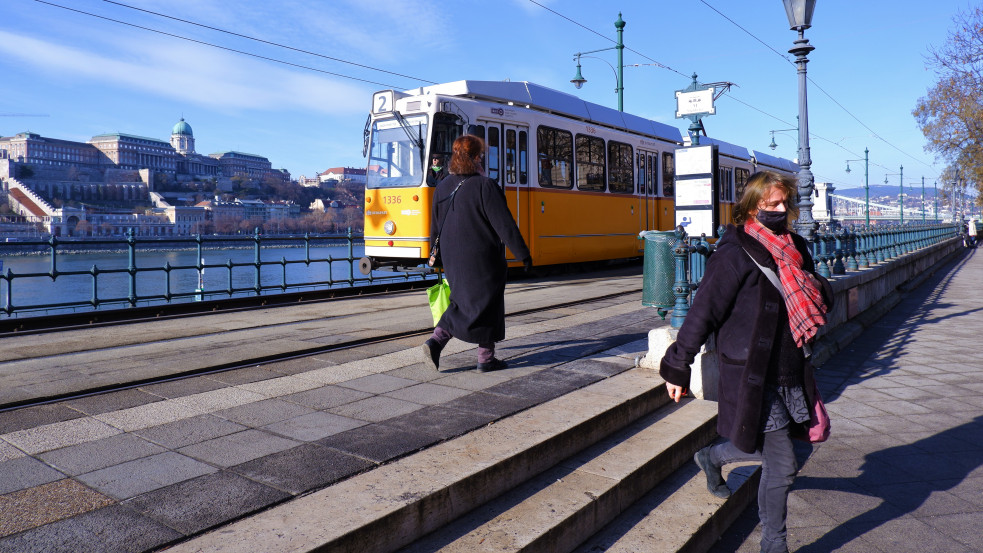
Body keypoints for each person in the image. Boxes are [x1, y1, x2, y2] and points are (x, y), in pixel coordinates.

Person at [660, 170, 833, 553]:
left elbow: (815, 290)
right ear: (753, 206)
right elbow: (704, 309)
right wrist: (678, 363)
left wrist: (815, 290)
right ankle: (774, 545)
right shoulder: (735, 250)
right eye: (772, 204)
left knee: (764, 445)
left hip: (789, 368)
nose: (782, 209)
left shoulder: (796, 245)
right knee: (784, 463)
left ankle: (710, 456)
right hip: (751, 371)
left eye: (785, 202)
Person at [421, 135, 532, 373]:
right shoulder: (485, 186)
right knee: (487, 303)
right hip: (483, 258)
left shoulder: (442, 187)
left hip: (453, 258)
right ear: (476, 157)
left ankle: (436, 341)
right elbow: (505, 225)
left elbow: (435, 226)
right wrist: (523, 254)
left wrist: (436, 257)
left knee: (462, 302)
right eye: (481, 155)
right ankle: (485, 358)